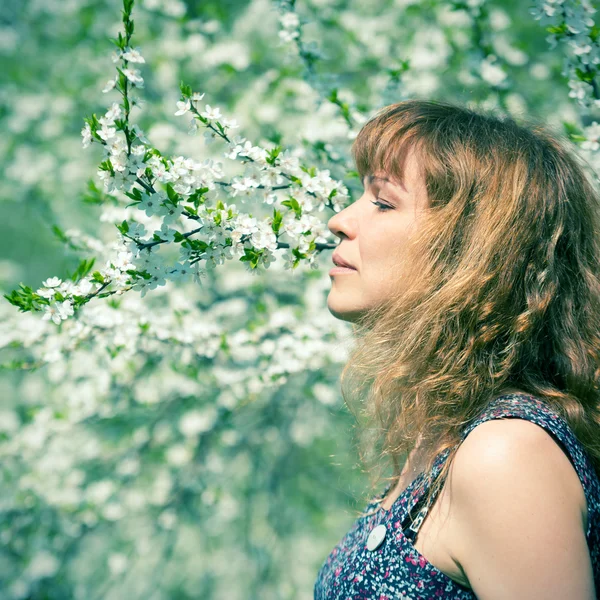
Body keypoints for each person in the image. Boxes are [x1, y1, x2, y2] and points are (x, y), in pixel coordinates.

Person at [315, 99, 600, 599]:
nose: (340, 220)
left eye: (383, 201)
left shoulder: (504, 455)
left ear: (469, 246)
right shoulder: (446, 435)